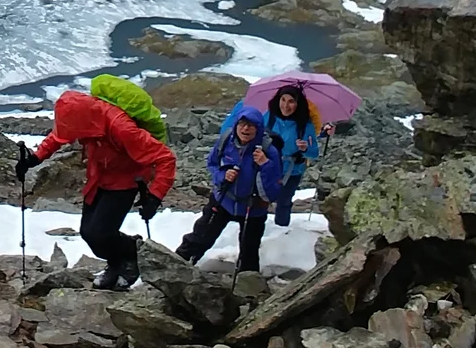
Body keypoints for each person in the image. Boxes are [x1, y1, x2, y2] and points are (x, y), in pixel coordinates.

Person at [17, 89, 177, 290]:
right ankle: (117, 262)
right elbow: (59, 136)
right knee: (88, 232)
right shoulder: (83, 117)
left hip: (125, 181)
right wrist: (35, 158)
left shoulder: (121, 127)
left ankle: (130, 254)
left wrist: (154, 196)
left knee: (100, 233)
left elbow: (165, 159)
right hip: (98, 177)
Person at [174, 107, 282, 272]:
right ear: (236, 124)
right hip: (223, 200)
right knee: (200, 238)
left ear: (258, 128)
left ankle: (248, 287)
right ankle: (175, 268)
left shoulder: (269, 151)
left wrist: (265, 165)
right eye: (242, 124)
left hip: (252, 209)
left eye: (251, 125)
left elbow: (273, 192)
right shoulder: (225, 141)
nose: (246, 129)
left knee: (249, 252)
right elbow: (212, 164)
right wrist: (223, 176)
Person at [264, 85, 325, 226]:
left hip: (292, 170)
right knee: (259, 199)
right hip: (267, 166)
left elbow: (314, 152)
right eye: (283, 99)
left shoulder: (305, 125)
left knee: (283, 202)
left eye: (291, 101)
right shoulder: (269, 117)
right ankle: (259, 229)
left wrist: (304, 149)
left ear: (298, 104)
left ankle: (281, 230)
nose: (286, 105)